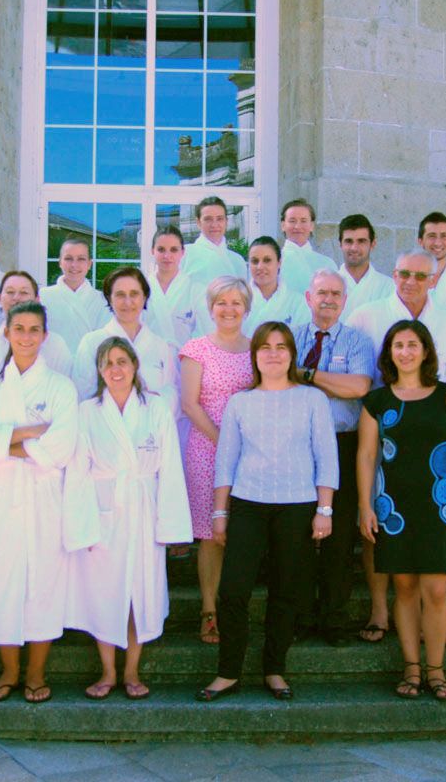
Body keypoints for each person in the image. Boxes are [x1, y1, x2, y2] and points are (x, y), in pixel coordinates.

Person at [197, 322, 339, 702]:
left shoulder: (312, 400)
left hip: (298, 504)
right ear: (254, 354)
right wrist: (219, 513)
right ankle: (228, 672)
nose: (273, 353)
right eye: (265, 347)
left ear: (292, 353)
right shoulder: (240, 402)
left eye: (281, 346)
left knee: (286, 591)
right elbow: (226, 460)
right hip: (248, 503)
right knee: (233, 590)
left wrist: (324, 509)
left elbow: (326, 456)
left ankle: (274, 668)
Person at [0, 301, 79, 704]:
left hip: (45, 500)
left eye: (34, 329)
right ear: (7, 333)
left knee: (44, 582)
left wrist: (2, 440)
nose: (27, 336)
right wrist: (30, 434)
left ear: (45, 336)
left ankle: (35, 673)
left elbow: (60, 448)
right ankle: (8, 671)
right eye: (19, 329)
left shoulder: (61, 388)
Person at [63, 338, 193, 700]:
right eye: (108, 364)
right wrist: (81, 525)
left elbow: (169, 469)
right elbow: (76, 472)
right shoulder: (87, 411)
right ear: (100, 371)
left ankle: (132, 672)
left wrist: (170, 526)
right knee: (106, 593)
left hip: (144, 510)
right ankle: (107, 672)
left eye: (122, 361)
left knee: (140, 592)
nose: (116, 370)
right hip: (102, 510)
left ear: (135, 365)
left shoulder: (155, 409)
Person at [357, 321, 446, 700]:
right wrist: (364, 506)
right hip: (392, 507)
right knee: (404, 588)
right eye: (398, 345)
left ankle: (436, 671)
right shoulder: (377, 402)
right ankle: (411, 670)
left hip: (438, 506)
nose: (405, 352)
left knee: (437, 590)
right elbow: (365, 456)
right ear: (389, 352)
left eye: (413, 345)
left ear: (426, 351)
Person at [292, 271, 375, 644]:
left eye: (336, 294)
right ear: (309, 296)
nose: (328, 299)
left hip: (343, 443)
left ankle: (334, 619)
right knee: (297, 534)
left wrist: (307, 374)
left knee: (338, 536)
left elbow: (358, 386)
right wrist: (330, 382)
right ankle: (299, 617)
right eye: (322, 292)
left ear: (345, 300)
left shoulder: (358, 341)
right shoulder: (289, 337)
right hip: (296, 446)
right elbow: (277, 382)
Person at [179, 276, 254, 645]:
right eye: (221, 302)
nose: (228, 309)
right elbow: (189, 403)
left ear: (247, 307)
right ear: (210, 308)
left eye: (236, 302)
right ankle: (209, 609)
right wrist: (225, 442)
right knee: (212, 535)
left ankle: (235, 608)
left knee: (243, 533)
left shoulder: (257, 349)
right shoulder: (196, 349)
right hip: (208, 449)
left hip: (251, 454)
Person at [72, 268, 179, 423]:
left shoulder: (160, 345)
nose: (128, 302)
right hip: (107, 432)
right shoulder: (92, 342)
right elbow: (82, 394)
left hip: (151, 434)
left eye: (134, 294)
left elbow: (171, 392)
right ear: (109, 298)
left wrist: (151, 402)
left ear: (144, 297)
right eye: (120, 295)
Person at [347, 249, 446, 382]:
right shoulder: (364, 317)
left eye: (420, 276)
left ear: (432, 281)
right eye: (404, 274)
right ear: (395, 276)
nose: (410, 282)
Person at [0, 270, 72, 376]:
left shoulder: (56, 346)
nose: (16, 298)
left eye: (24, 293)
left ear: (37, 300)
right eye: (10, 292)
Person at [40, 238, 110, 355]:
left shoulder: (102, 300)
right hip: (53, 364)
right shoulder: (43, 296)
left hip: (90, 365)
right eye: (68, 259)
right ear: (60, 262)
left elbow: (105, 341)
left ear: (89, 264)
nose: (74, 265)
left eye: (81, 259)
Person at [144, 225, 205, 350]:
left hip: (185, 362)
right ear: (152, 251)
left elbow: (203, 332)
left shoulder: (196, 289)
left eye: (173, 250)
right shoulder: (141, 287)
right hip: (148, 360)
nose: (167, 256)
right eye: (161, 249)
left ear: (182, 252)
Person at [245, 236, 310, 335]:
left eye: (267, 260)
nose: (260, 267)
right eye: (255, 261)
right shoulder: (239, 299)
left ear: (279, 263)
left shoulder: (297, 303)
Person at [335, 214, 393, 320]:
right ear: (340, 244)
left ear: (373, 244)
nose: (354, 248)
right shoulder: (328, 284)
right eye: (349, 241)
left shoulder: (388, 287)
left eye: (361, 241)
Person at [181, 196, 246, 284]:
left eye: (219, 219)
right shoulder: (184, 254)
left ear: (226, 222)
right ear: (198, 222)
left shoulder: (237, 261)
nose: (214, 225)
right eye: (208, 219)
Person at [279, 198, 338, 294]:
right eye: (292, 221)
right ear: (283, 225)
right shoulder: (274, 262)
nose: (297, 226)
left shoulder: (327, 263)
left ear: (311, 226)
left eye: (303, 221)